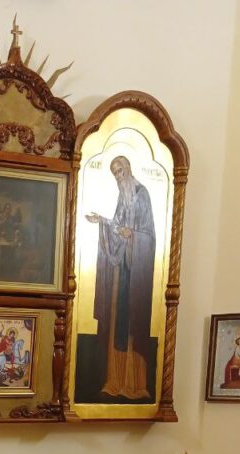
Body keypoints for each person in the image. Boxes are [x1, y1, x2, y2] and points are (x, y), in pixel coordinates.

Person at [86, 154, 156, 400]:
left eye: (120, 170)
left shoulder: (142, 194)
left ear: (128, 168)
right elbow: (117, 226)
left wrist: (134, 236)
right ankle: (115, 382)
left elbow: (149, 235)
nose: (118, 176)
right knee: (118, 323)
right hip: (121, 271)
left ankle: (135, 384)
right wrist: (101, 221)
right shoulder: (122, 197)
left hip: (136, 272)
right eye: (114, 172)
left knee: (131, 325)